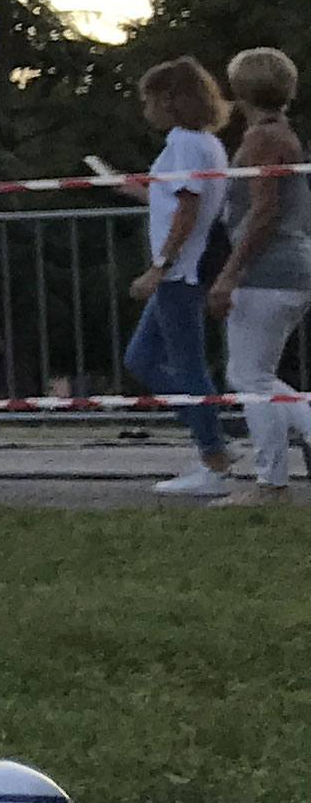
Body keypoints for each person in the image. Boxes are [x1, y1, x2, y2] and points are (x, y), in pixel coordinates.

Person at [119, 55, 238, 498]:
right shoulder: (205, 143)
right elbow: (176, 198)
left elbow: (187, 209)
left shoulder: (184, 142)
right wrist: (137, 191)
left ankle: (214, 454)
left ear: (170, 101)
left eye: (149, 100)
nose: (145, 109)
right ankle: (214, 436)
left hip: (181, 272)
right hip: (187, 268)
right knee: (143, 358)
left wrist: (159, 266)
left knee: (186, 365)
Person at [208, 46, 310, 500]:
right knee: (254, 374)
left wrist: (230, 272)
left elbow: (263, 214)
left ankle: (272, 479)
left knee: (252, 377)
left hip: (268, 272)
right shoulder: (278, 135)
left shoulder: (263, 140)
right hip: (287, 269)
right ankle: (273, 474)